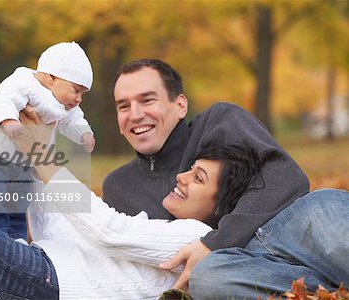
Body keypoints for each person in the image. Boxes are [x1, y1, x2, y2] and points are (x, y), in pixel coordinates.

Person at [0, 108, 270, 299]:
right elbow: (60, 229)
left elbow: (106, 230)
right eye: (190, 170)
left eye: (199, 178)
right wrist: (36, 148)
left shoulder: (195, 236)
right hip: (31, 272)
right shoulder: (163, 229)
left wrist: (41, 152)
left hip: (34, 281)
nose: (182, 177)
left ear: (220, 207)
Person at [102, 59, 348, 297]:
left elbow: (285, 176)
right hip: (245, 264)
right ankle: (327, 289)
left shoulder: (219, 121)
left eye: (147, 100)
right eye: (123, 106)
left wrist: (215, 242)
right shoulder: (119, 188)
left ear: (180, 105)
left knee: (328, 224)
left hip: (292, 225)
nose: (134, 114)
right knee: (207, 279)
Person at [0, 41, 95, 241]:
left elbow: (75, 119)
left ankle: (17, 237)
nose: (79, 98)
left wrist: (84, 134)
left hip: (24, 160)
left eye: (82, 93)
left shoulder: (66, 105)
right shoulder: (23, 82)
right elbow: (3, 99)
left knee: (19, 199)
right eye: (76, 90)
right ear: (52, 77)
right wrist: (9, 120)